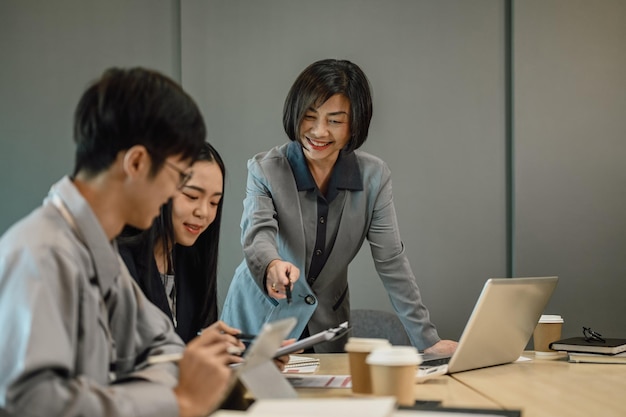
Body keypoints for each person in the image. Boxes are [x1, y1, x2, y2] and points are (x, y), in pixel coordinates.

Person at [0, 67, 244, 417]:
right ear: (137, 163)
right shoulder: (41, 254)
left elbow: (166, 348)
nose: (169, 195)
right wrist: (175, 400)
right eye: (176, 177)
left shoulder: (99, 252)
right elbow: (35, 403)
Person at [221, 59, 458, 355]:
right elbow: (257, 235)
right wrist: (272, 265)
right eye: (309, 116)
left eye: (334, 120)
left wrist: (428, 341)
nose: (319, 131)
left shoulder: (374, 177)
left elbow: (392, 263)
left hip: (325, 330)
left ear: (354, 125)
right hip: (260, 320)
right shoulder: (265, 169)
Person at [118, 142, 225, 344]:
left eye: (214, 203)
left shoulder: (192, 262)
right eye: (191, 196)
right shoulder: (119, 260)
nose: (203, 212)